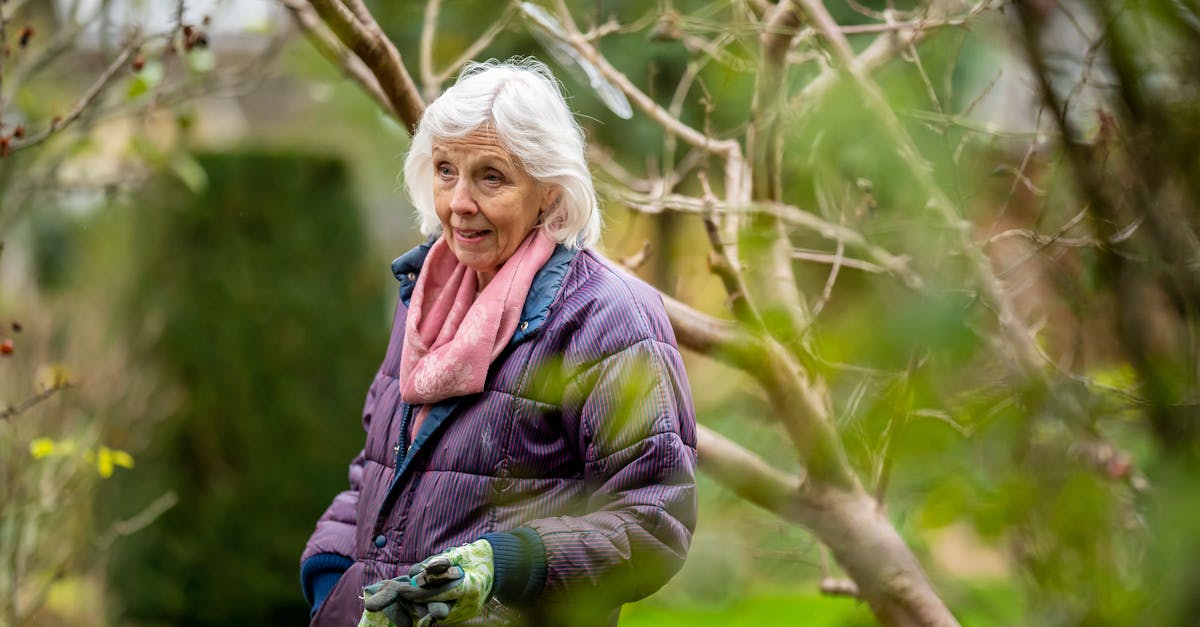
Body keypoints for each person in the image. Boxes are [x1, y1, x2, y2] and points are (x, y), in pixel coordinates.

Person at [299, 58, 698, 626]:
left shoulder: (610, 318)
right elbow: (378, 469)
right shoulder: (428, 297)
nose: (459, 202)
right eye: (444, 170)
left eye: (491, 176)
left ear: (549, 191)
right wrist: (332, 584)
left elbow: (656, 518)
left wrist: (506, 565)